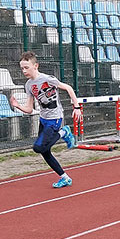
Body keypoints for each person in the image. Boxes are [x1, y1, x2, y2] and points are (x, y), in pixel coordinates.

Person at [10, 51, 82, 188]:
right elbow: (30, 109)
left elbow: (68, 88)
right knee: (45, 151)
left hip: (55, 118)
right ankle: (65, 178)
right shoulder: (28, 85)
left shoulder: (47, 79)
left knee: (38, 147)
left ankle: (64, 132)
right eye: (22, 68)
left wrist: (76, 107)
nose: (24, 71)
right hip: (43, 119)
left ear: (35, 66)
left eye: (27, 67)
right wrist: (18, 106)